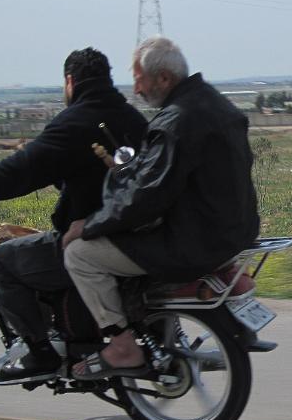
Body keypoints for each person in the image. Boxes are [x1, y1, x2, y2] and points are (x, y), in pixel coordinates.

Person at [0, 47, 148, 383]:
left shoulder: (75, 121)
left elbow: (18, 172)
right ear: (107, 78)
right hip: (135, 236)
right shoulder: (132, 118)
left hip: (92, 240)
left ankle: (40, 353)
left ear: (69, 82)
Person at [62, 36, 259, 379]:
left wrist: (90, 224)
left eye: (140, 80)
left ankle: (121, 346)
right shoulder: (217, 104)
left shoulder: (176, 122)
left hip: (193, 243)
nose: (136, 90)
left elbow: (146, 199)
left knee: (79, 254)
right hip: (233, 233)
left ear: (164, 79)